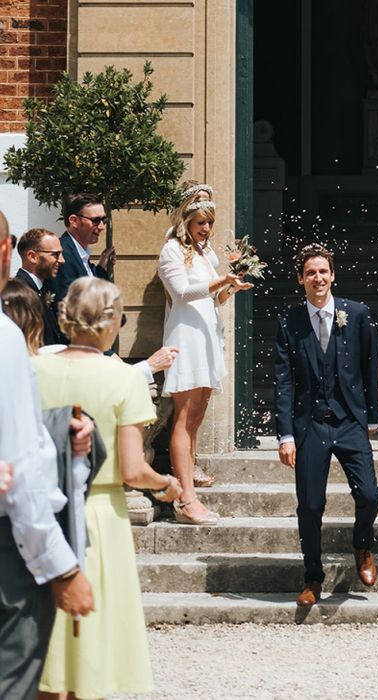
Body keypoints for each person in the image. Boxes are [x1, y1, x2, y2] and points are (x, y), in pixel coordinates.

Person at [35, 277, 182, 699]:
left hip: (39, 512)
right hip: (97, 515)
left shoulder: (32, 368)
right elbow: (133, 470)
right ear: (113, 321)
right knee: (90, 642)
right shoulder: (123, 379)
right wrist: (166, 485)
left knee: (47, 644)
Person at [0, 210, 95, 700]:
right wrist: (62, 567)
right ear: (8, 250)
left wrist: (61, 432)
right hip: (11, 548)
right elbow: (21, 466)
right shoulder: (5, 340)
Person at [274, 244, 378, 607]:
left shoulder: (357, 313)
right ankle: (313, 576)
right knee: (309, 505)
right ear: (300, 279)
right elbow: (284, 382)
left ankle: (362, 546)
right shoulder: (289, 322)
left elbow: (369, 366)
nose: (317, 279)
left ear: (333, 275)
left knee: (369, 494)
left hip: (350, 420)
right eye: (310, 273)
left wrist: (372, 416)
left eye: (323, 272)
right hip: (310, 425)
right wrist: (285, 434)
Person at [158, 197, 252, 523]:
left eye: (209, 222)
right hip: (185, 339)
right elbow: (182, 292)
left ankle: (189, 488)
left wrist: (231, 287)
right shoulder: (170, 250)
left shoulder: (205, 253)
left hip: (207, 338)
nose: (206, 229)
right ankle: (185, 500)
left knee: (195, 420)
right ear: (185, 221)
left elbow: (213, 298)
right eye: (200, 223)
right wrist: (223, 280)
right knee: (184, 420)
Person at [49, 193, 114, 311]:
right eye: (95, 220)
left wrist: (102, 266)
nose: (101, 226)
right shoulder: (63, 255)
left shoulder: (80, 254)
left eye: (103, 220)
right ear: (74, 221)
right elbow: (66, 307)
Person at [15, 228, 67, 345]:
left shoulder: (40, 288)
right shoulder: (20, 294)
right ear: (33, 256)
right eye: (55, 254)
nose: (62, 260)